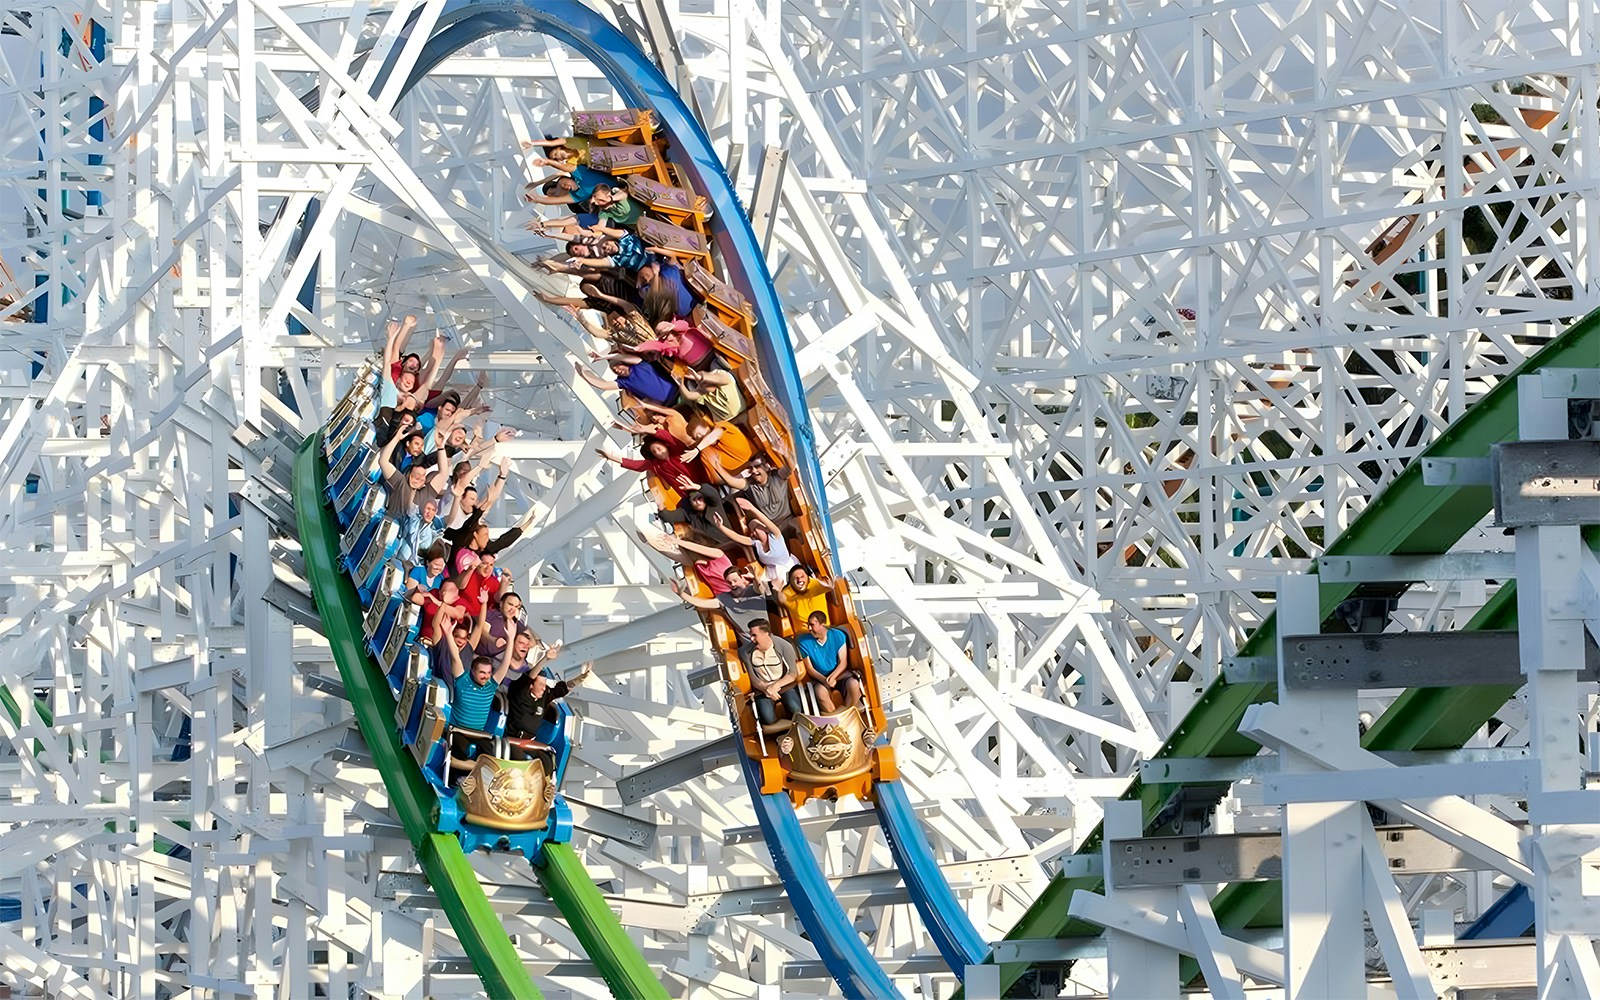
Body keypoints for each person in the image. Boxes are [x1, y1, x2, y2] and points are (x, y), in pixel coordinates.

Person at [503, 661, 594, 795]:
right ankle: (516, 792)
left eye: (545, 685)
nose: (543, 688)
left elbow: (563, 689)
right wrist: (546, 658)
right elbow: (527, 678)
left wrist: (581, 678)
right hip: (513, 740)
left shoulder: (544, 696)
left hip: (530, 742)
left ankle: (545, 792)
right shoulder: (519, 692)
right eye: (541, 685)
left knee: (548, 760)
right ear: (531, 685)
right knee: (519, 758)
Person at [672, 563, 774, 646]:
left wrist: (756, 577)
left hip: (766, 635)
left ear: (742, 578)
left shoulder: (753, 590)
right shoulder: (724, 597)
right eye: (729, 583)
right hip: (748, 640)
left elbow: (759, 588)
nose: (733, 585)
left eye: (735, 580)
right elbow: (702, 603)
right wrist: (680, 594)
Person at [744, 619, 804, 733]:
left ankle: (797, 729)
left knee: (795, 708)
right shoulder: (745, 652)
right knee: (768, 717)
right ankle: (783, 732)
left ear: (766, 633)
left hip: (784, 686)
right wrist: (767, 690)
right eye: (751, 635)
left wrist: (775, 686)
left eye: (754, 635)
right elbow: (754, 679)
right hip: (762, 690)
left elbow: (792, 673)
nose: (751, 639)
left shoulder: (784, 646)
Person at [796, 611, 863, 712]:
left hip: (839, 675)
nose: (809, 628)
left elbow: (843, 662)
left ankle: (846, 712)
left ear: (822, 624)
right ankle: (835, 719)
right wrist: (825, 681)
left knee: (854, 684)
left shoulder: (838, 635)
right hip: (819, 678)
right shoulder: (803, 641)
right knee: (820, 692)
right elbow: (810, 669)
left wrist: (833, 677)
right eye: (808, 625)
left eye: (812, 625)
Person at [597, 436, 702, 496]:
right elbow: (635, 465)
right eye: (654, 451)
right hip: (688, 494)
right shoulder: (655, 465)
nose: (658, 452)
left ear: (664, 445)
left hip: (703, 483)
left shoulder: (677, 451)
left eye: (659, 448)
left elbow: (667, 437)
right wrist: (610, 457)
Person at [732, 497, 797, 579]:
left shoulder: (775, 536)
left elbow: (766, 521)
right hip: (770, 577)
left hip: (789, 573)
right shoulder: (756, 543)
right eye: (751, 532)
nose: (753, 533)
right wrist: (720, 526)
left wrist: (751, 508)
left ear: (765, 528)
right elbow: (737, 537)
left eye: (755, 528)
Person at [575, 357, 679, 407]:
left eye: (616, 365)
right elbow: (604, 385)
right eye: (613, 370)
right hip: (669, 403)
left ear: (623, 363)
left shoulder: (639, 364)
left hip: (678, 391)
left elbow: (624, 356)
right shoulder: (624, 382)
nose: (616, 369)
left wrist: (607, 357)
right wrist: (584, 375)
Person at [729, 457, 795, 529]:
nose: (754, 470)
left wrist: (784, 453)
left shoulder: (776, 476)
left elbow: (790, 468)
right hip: (767, 528)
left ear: (766, 466)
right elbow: (731, 484)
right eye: (750, 468)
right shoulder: (749, 484)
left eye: (757, 466)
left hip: (787, 520)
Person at [777, 564, 834, 632]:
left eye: (802, 576)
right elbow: (781, 600)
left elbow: (829, 586)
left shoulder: (815, 584)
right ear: (791, 582)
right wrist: (777, 590)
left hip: (825, 629)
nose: (800, 580)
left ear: (808, 577)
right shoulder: (788, 592)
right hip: (804, 634)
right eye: (796, 578)